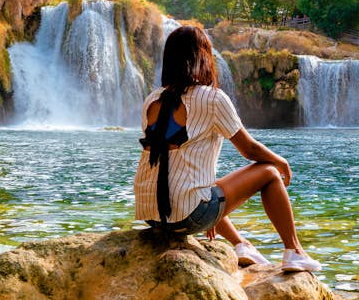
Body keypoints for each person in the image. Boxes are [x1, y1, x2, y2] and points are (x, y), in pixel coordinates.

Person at [134, 25, 320, 272]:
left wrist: (212, 203)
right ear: (203, 57)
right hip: (187, 216)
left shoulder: (152, 99)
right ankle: (294, 251)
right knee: (269, 171)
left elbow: (173, 160)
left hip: (153, 215)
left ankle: (241, 244)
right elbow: (250, 149)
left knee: (209, 186)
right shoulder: (212, 98)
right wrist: (280, 161)